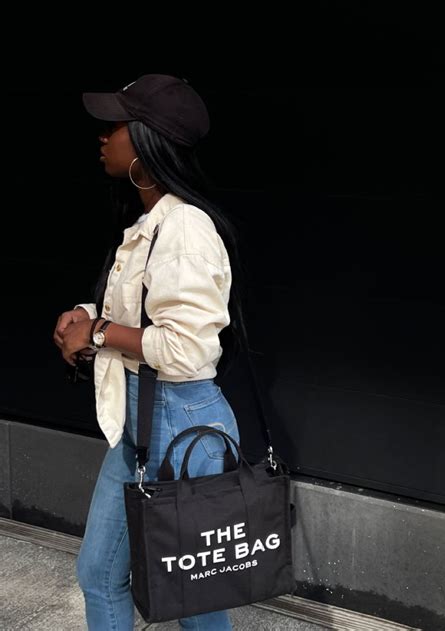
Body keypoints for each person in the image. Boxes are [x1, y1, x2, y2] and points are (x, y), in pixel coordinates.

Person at [53, 74, 246, 630]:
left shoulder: (186, 227)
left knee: (192, 597)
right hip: (143, 422)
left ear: (145, 139)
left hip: (185, 425)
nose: (103, 136)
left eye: (114, 125)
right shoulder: (149, 223)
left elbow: (185, 347)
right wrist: (85, 319)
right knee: (100, 573)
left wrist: (97, 334)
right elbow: (141, 318)